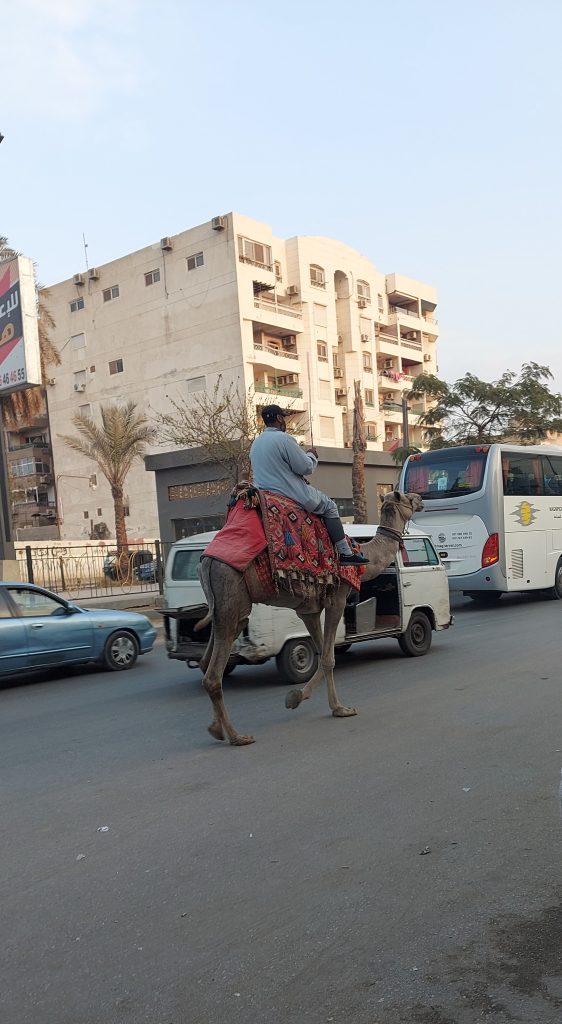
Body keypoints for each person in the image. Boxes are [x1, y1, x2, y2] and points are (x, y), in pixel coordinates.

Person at [250, 404, 368, 565]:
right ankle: (345, 553)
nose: (284, 420)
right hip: (289, 494)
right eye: (283, 417)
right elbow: (305, 467)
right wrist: (311, 456)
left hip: (264, 495)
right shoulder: (284, 439)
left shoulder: (255, 444)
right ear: (278, 418)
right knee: (330, 506)